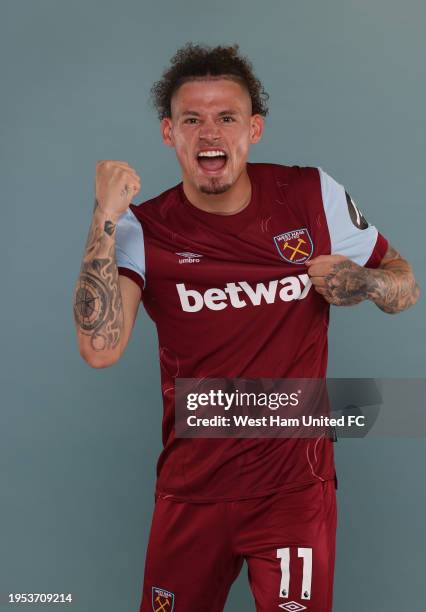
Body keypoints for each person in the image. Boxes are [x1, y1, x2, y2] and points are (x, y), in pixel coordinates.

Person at [73, 43, 419, 612]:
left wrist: (363, 282)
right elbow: (99, 347)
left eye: (226, 118)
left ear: (253, 129)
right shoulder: (142, 228)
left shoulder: (310, 195)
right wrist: (103, 215)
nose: (210, 134)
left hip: (293, 489)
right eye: (192, 120)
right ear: (170, 134)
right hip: (194, 488)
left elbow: (404, 282)